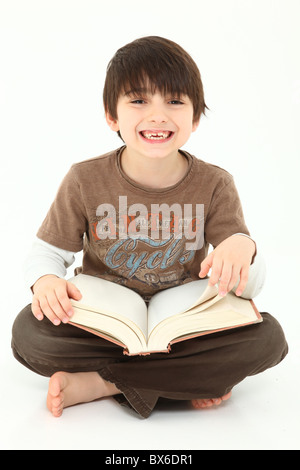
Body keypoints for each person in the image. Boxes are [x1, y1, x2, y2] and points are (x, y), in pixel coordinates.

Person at [12, 36, 288, 419]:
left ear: (194, 118)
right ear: (112, 115)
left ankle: (102, 383)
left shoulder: (215, 184)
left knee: (268, 339)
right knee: (29, 334)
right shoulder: (84, 179)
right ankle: (182, 381)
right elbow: (46, 253)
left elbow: (245, 284)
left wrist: (244, 247)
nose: (158, 116)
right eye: (139, 100)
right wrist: (45, 282)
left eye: (174, 101)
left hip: (181, 324)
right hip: (107, 323)